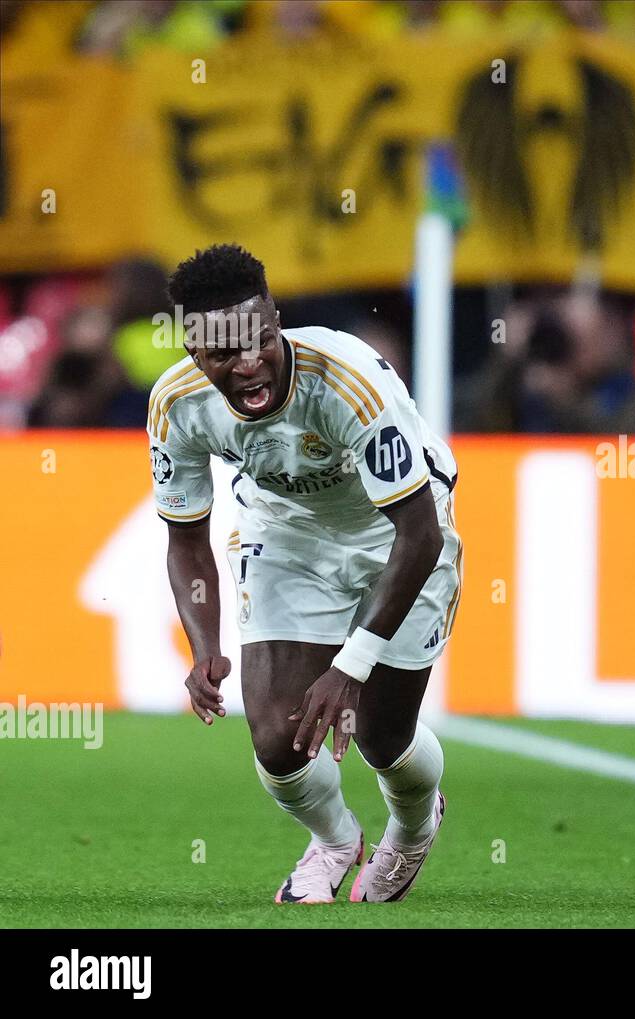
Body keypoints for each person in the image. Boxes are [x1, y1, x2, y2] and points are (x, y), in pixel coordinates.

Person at [149, 244, 462, 903]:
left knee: (383, 735)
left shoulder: (347, 377)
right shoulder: (176, 404)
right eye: (222, 354)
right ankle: (336, 838)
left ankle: (411, 827)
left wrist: (351, 666)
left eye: (260, 339)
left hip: (396, 529)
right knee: (277, 735)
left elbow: (419, 531)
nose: (248, 362)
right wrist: (205, 645)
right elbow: (185, 538)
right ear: (193, 353)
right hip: (286, 530)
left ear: (277, 317)